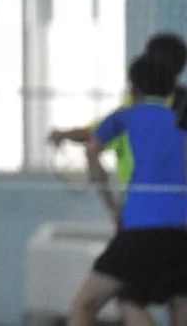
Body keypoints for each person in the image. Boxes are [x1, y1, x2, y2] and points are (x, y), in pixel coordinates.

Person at [69, 54, 187, 326]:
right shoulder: (180, 122)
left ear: (134, 88)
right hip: (180, 233)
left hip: (139, 231)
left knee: (84, 306)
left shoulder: (126, 116)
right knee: (138, 300)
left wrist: (110, 203)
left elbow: (92, 149)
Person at [49, 32, 187, 223]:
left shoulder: (134, 110)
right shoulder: (172, 107)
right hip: (177, 213)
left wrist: (111, 205)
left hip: (139, 210)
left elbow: (92, 137)